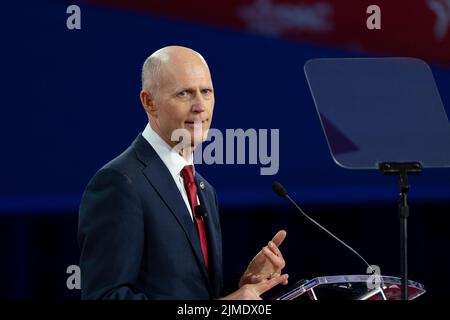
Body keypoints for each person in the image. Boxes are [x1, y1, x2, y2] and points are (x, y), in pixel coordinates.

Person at [78, 46, 289, 300]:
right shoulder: (121, 182)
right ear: (149, 102)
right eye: (184, 93)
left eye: (206, 92)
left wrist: (243, 284)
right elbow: (105, 297)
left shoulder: (203, 190)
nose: (200, 106)